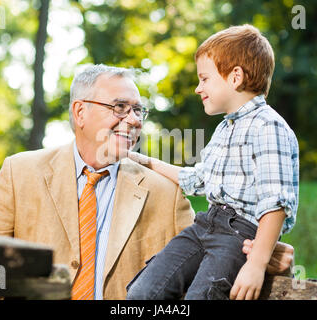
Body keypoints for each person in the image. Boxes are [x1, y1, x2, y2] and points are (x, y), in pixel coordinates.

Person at [0, 64, 294, 300]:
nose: (134, 120)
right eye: (119, 108)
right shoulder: (20, 173)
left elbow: (204, 268)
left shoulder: (166, 192)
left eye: (139, 110)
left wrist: (260, 257)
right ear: (80, 112)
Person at [126, 25, 299, 300]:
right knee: (142, 292)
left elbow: (275, 203)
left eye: (204, 79)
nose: (198, 88)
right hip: (204, 225)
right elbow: (198, 179)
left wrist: (256, 264)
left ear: (235, 77)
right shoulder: (224, 129)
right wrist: (144, 162)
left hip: (239, 235)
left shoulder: (268, 127)